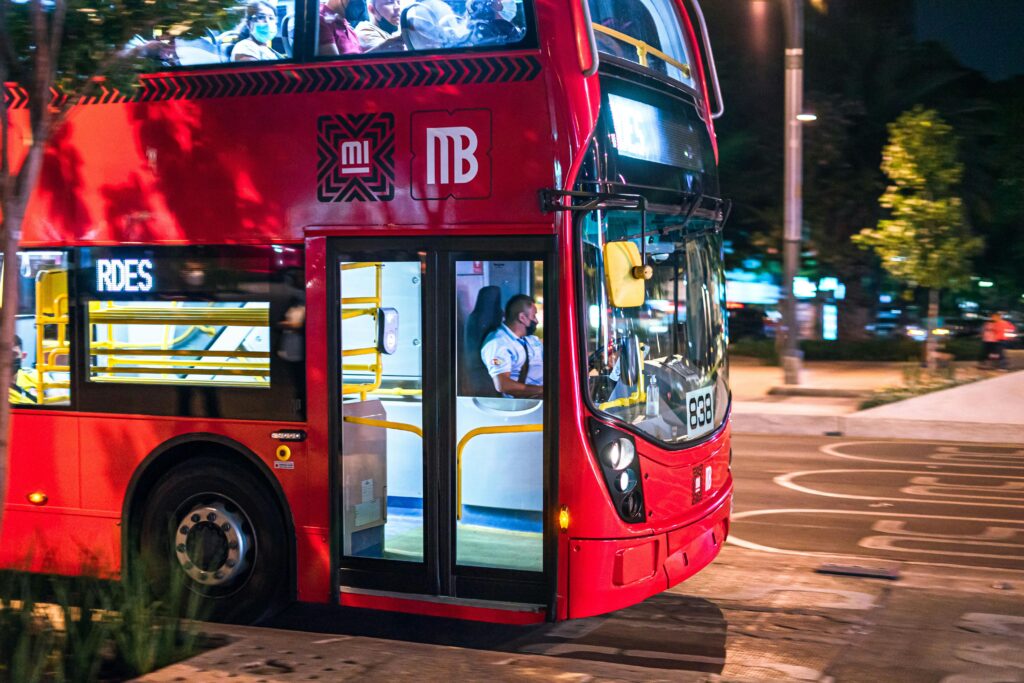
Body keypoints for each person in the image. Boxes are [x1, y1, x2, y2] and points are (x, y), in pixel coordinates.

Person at [480, 294, 543, 399]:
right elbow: (503, 385)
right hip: (528, 400)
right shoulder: (498, 343)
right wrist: (544, 390)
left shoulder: (525, 337)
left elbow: (539, 345)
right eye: (534, 316)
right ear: (522, 317)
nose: (536, 321)